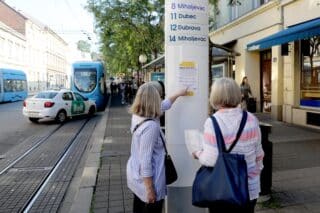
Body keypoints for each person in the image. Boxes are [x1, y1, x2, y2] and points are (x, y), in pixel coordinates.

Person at [192, 78, 264, 213]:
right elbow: (259, 154)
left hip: (222, 189)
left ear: (215, 96)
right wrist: (256, 173)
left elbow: (211, 159)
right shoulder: (251, 119)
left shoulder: (212, 122)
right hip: (249, 188)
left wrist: (197, 153)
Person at [127, 82, 187, 213]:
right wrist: (150, 190)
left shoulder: (138, 115)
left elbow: (165, 104)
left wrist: (179, 93)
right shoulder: (151, 127)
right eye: (158, 97)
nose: (161, 99)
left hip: (136, 176)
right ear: (154, 100)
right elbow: (146, 161)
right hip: (149, 181)